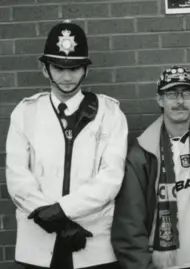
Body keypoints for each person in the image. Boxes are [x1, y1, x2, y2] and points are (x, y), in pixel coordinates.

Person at [5, 20, 129, 269]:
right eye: (58, 67)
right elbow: (18, 178)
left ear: (86, 70)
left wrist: (62, 210)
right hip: (38, 242)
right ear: (45, 69)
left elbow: (110, 178)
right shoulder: (25, 112)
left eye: (74, 68)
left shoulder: (110, 113)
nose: (66, 76)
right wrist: (59, 222)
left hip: (91, 242)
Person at [111, 65, 190, 269]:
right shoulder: (142, 152)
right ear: (160, 99)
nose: (179, 101)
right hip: (163, 264)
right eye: (171, 94)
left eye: (186, 94)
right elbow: (129, 223)